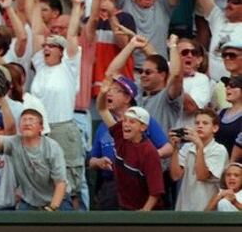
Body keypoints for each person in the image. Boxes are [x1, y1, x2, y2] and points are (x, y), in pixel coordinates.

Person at [0, 105, 70, 211]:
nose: (27, 123)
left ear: (41, 128)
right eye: (24, 120)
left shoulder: (52, 147)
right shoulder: (13, 143)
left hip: (57, 200)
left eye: (31, 120)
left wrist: (52, 208)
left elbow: (60, 182)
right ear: (19, 127)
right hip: (30, 202)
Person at [97, 81, 165, 211]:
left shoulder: (149, 152)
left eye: (132, 122)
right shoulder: (120, 135)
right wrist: (103, 93)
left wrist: (143, 214)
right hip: (124, 208)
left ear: (143, 127)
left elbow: (155, 192)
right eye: (125, 121)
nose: (126, 124)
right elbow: (102, 109)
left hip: (146, 213)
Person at [170, 108, 228, 211]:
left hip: (207, 209)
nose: (200, 126)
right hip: (184, 207)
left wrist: (199, 147)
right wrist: (175, 148)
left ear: (215, 128)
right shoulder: (187, 147)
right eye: (197, 123)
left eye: (205, 123)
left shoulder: (219, 150)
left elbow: (202, 176)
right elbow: (175, 176)